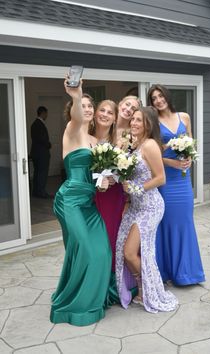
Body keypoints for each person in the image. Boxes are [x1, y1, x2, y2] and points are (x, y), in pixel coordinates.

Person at [50, 79, 112, 326]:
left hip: (89, 202)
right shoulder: (72, 130)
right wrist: (76, 96)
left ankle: (93, 296)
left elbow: (99, 175)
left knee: (102, 251)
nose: (87, 109)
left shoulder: (97, 143)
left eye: (89, 105)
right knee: (84, 249)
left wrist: (104, 181)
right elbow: (76, 116)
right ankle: (73, 304)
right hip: (70, 201)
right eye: (83, 106)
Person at [116, 106, 178, 313]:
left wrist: (136, 188)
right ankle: (142, 290)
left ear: (148, 124)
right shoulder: (135, 145)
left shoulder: (150, 145)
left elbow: (161, 178)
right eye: (133, 119)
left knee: (130, 252)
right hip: (135, 205)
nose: (133, 123)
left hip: (150, 206)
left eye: (139, 121)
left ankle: (150, 290)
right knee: (125, 252)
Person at [147, 84, 205, 286]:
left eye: (160, 96)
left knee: (185, 221)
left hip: (183, 178)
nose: (158, 100)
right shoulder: (153, 122)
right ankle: (167, 271)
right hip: (166, 179)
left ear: (167, 96)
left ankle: (188, 272)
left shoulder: (184, 116)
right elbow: (151, 152)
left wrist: (189, 155)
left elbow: (191, 141)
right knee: (167, 224)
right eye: (154, 98)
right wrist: (171, 160)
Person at [92, 96, 141, 305]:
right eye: (127, 104)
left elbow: (129, 169)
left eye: (134, 108)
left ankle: (118, 284)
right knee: (98, 238)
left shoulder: (129, 136)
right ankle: (96, 282)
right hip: (94, 193)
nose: (129, 109)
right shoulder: (92, 131)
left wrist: (117, 179)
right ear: (119, 104)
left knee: (115, 236)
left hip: (115, 194)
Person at [30, 106, 52, 198]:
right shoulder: (39, 124)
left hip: (35, 153)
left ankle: (36, 191)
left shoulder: (34, 124)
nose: (46, 115)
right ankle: (41, 192)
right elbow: (42, 139)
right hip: (41, 154)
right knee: (42, 173)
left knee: (37, 173)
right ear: (42, 113)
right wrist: (49, 145)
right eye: (46, 113)